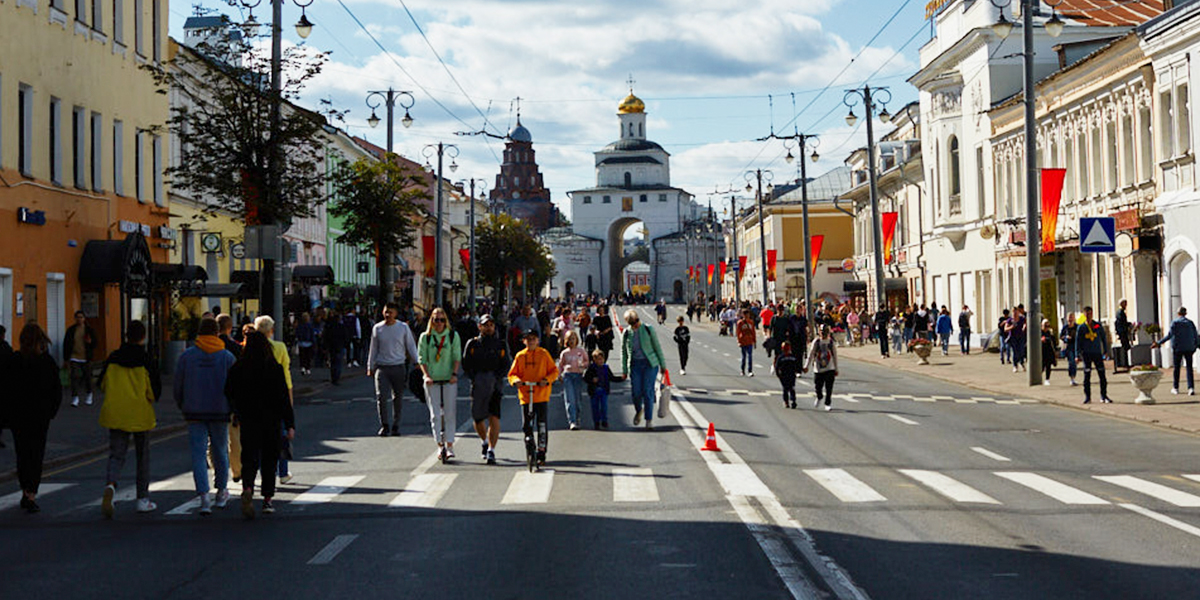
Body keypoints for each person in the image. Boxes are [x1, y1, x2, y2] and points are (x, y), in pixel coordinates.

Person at [226, 331, 294, 518]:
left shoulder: (239, 368)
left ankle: (248, 487)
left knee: (249, 458)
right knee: (269, 460)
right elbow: (283, 399)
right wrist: (290, 423)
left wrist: (237, 410)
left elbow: (229, 391)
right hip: (271, 421)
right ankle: (267, 500)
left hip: (248, 419)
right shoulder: (274, 368)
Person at [98, 320, 161, 518]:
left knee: (116, 454)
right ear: (143, 337)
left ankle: (111, 484)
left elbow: (101, 384)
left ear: (126, 336)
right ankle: (142, 499)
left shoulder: (113, 358)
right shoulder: (146, 359)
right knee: (142, 457)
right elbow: (154, 392)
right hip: (140, 413)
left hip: (116, 411)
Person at [174, 317, 237, 515]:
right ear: (218, 333)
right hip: (220, 410)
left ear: (199, 334)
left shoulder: (187, 356)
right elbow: (235, 388)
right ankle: (221, 492)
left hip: (194, 411)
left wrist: (183, 405)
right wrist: (233, 409)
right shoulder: (227, 357)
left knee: (198, 455)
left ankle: (203, 498)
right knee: (220, 451)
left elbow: (178, 386)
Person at [3, 323, 63, 513]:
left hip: (18, 416)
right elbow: (57, 390)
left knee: (22, 454)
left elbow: (5, 388)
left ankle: (25, 489)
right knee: (36, 454)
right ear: (41, 341)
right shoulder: (47, 362)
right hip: (39, 417)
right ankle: (31, 493)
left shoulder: (14, 361)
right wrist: (51, 412)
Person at [462, 315, 508, 464]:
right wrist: (474, 378)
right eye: (485, 325)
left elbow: (506, 364)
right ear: (479, 327)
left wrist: (497, 378)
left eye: (491, 325)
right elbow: (466, 363)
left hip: (495, 385)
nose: (489, 327)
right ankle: (484, 441)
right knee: (478, 417)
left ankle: (491, 450)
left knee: (494, 417)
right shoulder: (473, 344)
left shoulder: (500, 344)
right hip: (478, 385)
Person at [368, 302, 419, 437]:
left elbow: (411, 346)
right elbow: (373, 348)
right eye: (386, 312)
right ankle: (384, 425)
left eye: (390, 312)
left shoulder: (403, 327)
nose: (387, 315)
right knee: (381, 397)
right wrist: (370, 366)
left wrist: (417, 362)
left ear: (395, 314)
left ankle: (396, 424)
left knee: (397, 397)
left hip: (398, 366)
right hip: (382, 367)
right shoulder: (377, 328)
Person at [508, 329, 559, 465]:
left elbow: (554, 371)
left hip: (541, 395)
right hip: (526, 395)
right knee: (526, 425)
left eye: (533, 339)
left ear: (538, 340)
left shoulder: (543, 354)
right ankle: (530, 449)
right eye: (528, 339)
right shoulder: (520, 356)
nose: (531, 342)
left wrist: (546, 380)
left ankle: (542, 452)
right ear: (524, 341)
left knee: (541, 424)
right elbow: (512, 374)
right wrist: (516, 381)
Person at [418, 307, 463, 461]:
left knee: (450, 413)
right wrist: (427, 376)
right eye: (436, 320)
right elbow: (422, 358)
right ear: (431, 321)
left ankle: (450, 445)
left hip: (448, 378)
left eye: (442, 320)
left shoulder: (452, 336)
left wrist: (454, 374)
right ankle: (439, 445)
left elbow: (457, 355)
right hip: (433, 380)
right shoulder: (426, 337)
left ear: (446, 321)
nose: (439, 323)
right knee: (435, 415)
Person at [255, 316, 295, 483]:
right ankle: (283, 472)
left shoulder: (252, 348)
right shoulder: (280, 347)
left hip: (258, 396)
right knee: (281, 435)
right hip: (279, 394)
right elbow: (286, 373)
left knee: (258, 438)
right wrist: (289, 400)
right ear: (271, 330)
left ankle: (258, 473)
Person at [622, 308, 666, 429]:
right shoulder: (627, 333)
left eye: (636, 321)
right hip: (635, 365)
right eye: (632, 323)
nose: (635, 324)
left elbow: (657, 347)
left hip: (650, 364)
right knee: (636, 392)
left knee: (648, 391)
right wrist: (624, 370)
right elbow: (624, 352)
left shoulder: (648, 329)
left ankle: (649, 420)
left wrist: (663, 364)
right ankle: (638, 410)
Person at [1153, 306, 1199, 395]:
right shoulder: (1190, 323)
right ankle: (1191, 388)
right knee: (1189, 368)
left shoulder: (1175, 323)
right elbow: (1195, 335)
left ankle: (1176, 387)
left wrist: (1158, 343)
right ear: (1185, 313)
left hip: (1178, 348)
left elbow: (1169, 335)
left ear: (1178, 314)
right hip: (1189, 348)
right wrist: (1196, 345)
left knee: (1177, 368)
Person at [1076, 306, 1112, 404]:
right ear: (1084, 315)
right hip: (1086, 354)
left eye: (1090, 314)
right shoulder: (1082, 328)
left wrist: (1105, 350)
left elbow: (1103, 338)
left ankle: (1103, 396)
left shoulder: (1097, 326)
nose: (1088, 316)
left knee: (1102, 375)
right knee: (1087, 376)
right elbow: (1078, 342)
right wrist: (1077, 355)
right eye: (1087, 314)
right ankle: (1088, 397)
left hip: (1097, 353)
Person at [64, 310, 98, 407]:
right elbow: (66, 344)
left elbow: (95, 343)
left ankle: (89, 394)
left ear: (84, 319)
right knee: (74, 377)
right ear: (75, 318)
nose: (79, 319)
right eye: (77, 317)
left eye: (81, 317)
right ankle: (75, 398)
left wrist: (90, 342)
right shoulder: (71, 330)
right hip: (74, 356)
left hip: (86, 357)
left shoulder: (89, 330)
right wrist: (66, 359)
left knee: (87, 376)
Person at [557, 330, 588, 431]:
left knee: (577, 399)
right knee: (570, 399)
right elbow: (561, 365)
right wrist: (559, 375)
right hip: (568, 376)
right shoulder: (564, 353)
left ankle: (577, 418)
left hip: (578, 375)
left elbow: (587, 361)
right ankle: (572, 421)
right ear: (566, 340)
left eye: (573, 339)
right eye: (569, 339)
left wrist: (583, 365)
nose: (571, 341)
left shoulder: (581, 351)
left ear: (576, 340)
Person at [584, 349, 622, 429]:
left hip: (604, 390)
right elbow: (585, 378)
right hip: (594, 391)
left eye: (602, 359)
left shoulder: (605, 368)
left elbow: (611, 377)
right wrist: (592, 380)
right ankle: (596, 421)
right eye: (598, 359)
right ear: (594, 360)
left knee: (604, 406)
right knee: (595, 407)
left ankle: (604, 420)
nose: (600, 361)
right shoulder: (591, 368)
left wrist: (621, 378)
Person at [803, 325, 838, 411]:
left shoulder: (831, 343)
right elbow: (811, 354)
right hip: (818, 369)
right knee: (818, 386)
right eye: (822, 332)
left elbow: (835, 356)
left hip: (829, 368)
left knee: (829, 388)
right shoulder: (817, 342)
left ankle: (828, 403)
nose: (823, 334)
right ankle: (819, 396)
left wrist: (836, 369)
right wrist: (806, 366)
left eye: (825, 332)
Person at [322, 310, 350, 386]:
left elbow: (325, 337)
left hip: (332, 346)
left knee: (333, 362)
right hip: (339, 346)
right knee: (338, 363)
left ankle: (333, 377)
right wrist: (345, 345)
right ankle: (336, 377)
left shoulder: (329, 326)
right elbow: (346, 337)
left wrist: (325, 346)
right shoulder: (341, 327)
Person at [774, 341, 800, 409]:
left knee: (790, 388)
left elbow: (796, 364)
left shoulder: (791, 356)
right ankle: (788, 401)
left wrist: (798, 370)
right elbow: (777, 366)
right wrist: (778, 374)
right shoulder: (781, 357)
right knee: (788, 388)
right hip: (785, 375)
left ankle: (792, 401)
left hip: (790, 375)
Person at [736, 309, 757, 377]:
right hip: (743, 341)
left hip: (750, 341)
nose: (747, 316)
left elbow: (753, 332)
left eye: (748, 314)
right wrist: (739, 341)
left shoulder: (751, 322)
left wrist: (754, 341)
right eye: (745, 314)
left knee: (750, 356)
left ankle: (750, 370)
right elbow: (738, 332)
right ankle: (742, 370)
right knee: (744, 356)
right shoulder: (740, 323)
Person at [1061, 312, 1080, 386]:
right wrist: (1066, 337)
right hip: (1069, 346)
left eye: (1072, 317)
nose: (1070, 319)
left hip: (1076, 346)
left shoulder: (1077, 327)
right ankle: (1072, 378)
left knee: (1075, 362)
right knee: (1071, 362)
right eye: (1069, 317)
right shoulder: (1065, 327)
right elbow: (1061, 336)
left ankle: (1073, 377)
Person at [1007, 307, 1028, 372]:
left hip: (1021, 337)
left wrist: (1024, 327)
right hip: (1013, 337)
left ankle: (1022, 363)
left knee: (1021, 351)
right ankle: (1015, 365)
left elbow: (1025, 323)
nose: (1015, 313)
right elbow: (1005, 328)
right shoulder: (1010, 320)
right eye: (1013, 312)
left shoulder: (1022, 319)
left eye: (1016, 312)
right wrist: (1011, 327)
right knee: (1014, 352)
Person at [1039, 319, 1059, 385]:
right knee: (1041, 366)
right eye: (1045, 325)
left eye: (1048, 325)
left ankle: (1047, 379)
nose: (1046, 327)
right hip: (1041, 352)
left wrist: (1056, 351)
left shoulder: (1050, 333)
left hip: (1049, 352)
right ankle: (1038, 378)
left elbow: (1054, 342)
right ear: (1042, 325)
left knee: (1048, 366)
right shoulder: (1039, 333)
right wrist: (1041, 340)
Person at [1114, 299, 1131, 373]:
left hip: (1122, 332)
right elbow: (1121, 323)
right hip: (1123, 332)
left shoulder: (1120, 312)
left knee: (1126, 347)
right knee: (1125, 347)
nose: (1126, 305)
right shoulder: (1120, 313)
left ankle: (1126, 363)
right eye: (1125, 304)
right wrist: (1128, 325)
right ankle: (1125, 364)